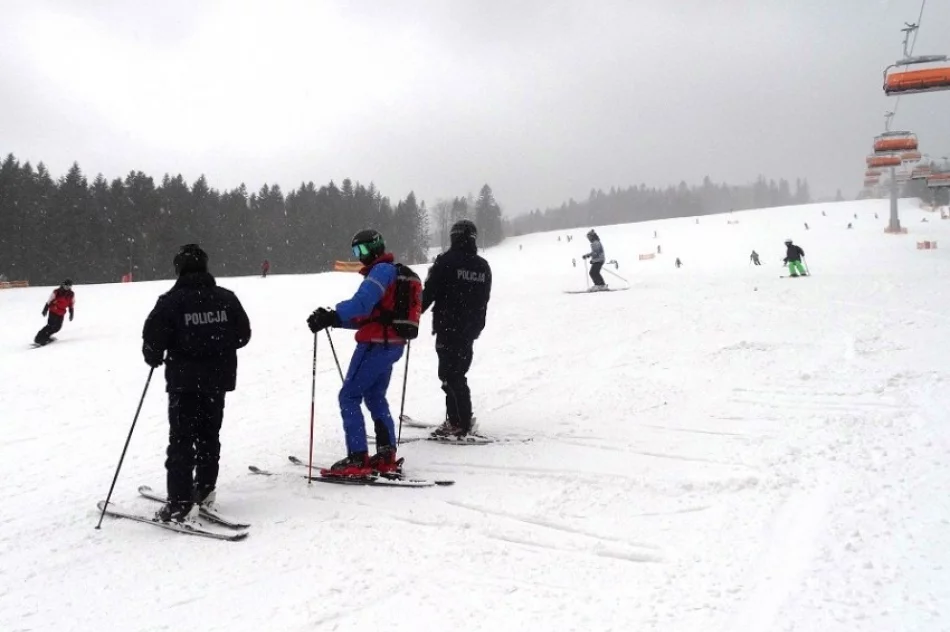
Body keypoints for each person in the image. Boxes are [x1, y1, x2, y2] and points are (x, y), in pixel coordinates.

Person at [142, 244, 251, 523]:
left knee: (181, 440)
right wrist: (217, 345)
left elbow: (153, 341)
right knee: (208, 435)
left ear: (179, 268)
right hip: (217, 379)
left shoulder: (170, 301)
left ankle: (179, 502)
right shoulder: (226, 298)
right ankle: (204, 488)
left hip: (184, 382)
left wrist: (156, 354)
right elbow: (243, 334)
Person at [307, 229, 408, 476]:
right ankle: (386, 454)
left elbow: (361, 304)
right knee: (375, 397)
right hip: (391, 343)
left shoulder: (381, 271)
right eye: (356, 252)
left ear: (376, 247)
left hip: (375, 344)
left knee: (349, 396)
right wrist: (335, 320)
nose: (360, 256)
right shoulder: (390, 273)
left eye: (362, 250)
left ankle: (357, 457)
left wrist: (333, 314)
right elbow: (370, 316)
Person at [421, 219, 492, 439]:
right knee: (457, 373)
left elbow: (429, 292)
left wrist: (411, 316)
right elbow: (483, 298)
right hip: (469, 329)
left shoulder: (446, 261)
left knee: (450, 375)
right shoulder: (482, 266)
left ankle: (460, 422)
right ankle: (457, 418)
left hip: (448, 326)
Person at [35, 279, 75, 345]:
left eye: (69, 286)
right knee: (50, 326)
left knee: (57, 327)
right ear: (63, 285)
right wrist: (45, 309)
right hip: (53, 311)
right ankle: (38, 338)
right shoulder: (57, 292)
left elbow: (71, 304)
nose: (67, 288)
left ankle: (46, 337)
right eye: (66, 286)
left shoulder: (71, 294)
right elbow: (49, 301)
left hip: (61, 313)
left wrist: (71, 313)